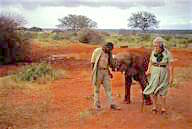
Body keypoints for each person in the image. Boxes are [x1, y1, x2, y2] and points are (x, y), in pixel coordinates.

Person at [143, 37, 174, 114]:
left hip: (163, 73)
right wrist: (148, 70)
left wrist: (171, 77)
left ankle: (163, 108)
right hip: (154, 73)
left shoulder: (167, 53)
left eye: (156, 46)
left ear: (161, 45)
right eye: (154, 46)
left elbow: (171, 66)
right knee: (153, 90)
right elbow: (150, 62)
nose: (155, 47)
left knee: (162, 91)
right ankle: (154, 107)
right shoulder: (153, 52)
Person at [91, 42, 120, 110]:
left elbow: (108, 64)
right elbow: (93, 62)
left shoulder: (109, 53)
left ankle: (112, 104)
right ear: (105, 46)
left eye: (110, 50)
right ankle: (97, 105)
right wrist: (93, 73)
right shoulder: (97, 51)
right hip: (98, 71)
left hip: (105, 72)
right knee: (96, 89)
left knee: (108, 89)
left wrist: (109, 73)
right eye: (109, 49)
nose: (109, 51)